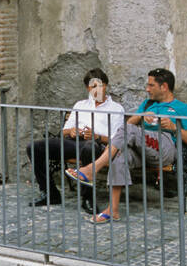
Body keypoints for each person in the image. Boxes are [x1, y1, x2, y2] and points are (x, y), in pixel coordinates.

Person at [67, 68, 187, 222]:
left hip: (165, 146)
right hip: (143, 147)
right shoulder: (147, 104)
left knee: (127, 132)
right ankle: (113, 210)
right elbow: (127, 126)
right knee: (118, 154)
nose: (147, 89)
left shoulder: (183, 108)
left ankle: (93, 168)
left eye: (151, 85)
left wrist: (173, 127)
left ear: (164, 87)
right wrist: (142, 116)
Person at [24, 68, 124, 207]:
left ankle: (87, 198)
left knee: (90, 147)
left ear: (105, 85)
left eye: (99, 86)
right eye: (92, 87)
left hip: (98, 146)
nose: (96, 90)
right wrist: (71, 131)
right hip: (73, 143)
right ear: (87, 88)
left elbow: (117, 138)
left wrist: (97, 136)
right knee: (35, 147)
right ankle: (50, 194)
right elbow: (64, 131)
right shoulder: (80, 105)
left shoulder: (116, 109)